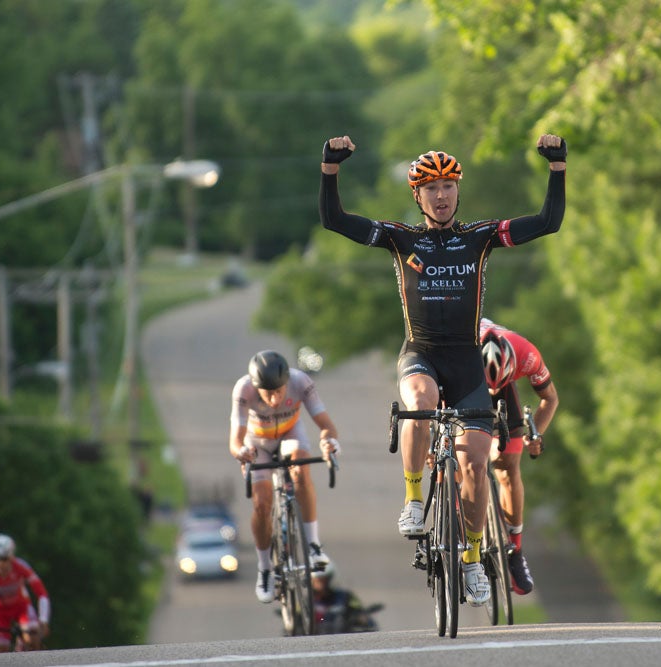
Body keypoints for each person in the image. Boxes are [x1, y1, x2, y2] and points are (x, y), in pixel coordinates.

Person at [319, 133, 566, 606]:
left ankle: (471, 559)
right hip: (422, 353)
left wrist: (557, 169)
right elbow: (335, 220)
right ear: (418, 196)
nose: (441, 195)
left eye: (448, 186)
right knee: (420, 401)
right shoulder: (401, 238)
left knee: (476, 464)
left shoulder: (480, 238)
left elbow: (547, 222)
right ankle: (414, 500)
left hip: (467, 362)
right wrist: (330, 170)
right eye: (431, 188)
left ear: (458, 190)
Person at [229, 349, 341, 604]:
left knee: (301, 472)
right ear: (255, 386)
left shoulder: (300, 382)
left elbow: (327, 426)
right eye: (267, 393)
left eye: (279, 391)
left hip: (291, 435)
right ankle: (265, 568)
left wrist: (328, 442)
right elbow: (235, 441)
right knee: (262, 503)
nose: (274, 398)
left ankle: (313, 546)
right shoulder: (243, 389)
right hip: (257, 443)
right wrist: (242, 452)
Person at [479, 317, 559, 595]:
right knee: (462, 457)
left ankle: (515, 550)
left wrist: (535, 435)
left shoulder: (527, 355)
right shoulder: (460, 350)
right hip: (466, 382)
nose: (491, 391)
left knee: (508, 466)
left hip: (504, 387)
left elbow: (550, 399)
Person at [0, 534, 50, 652]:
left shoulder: (21, 566)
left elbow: (41, 594)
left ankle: (27, 648)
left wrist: (43, 620)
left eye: (5, 559)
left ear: (11, 557)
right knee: (1, 649)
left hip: (21, 607)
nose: (1, 564)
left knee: (33, 638)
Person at [311, 562, 379, 634]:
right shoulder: (306, 604)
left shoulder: (344, 597)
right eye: (318, 580)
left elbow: (361, 613)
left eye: (323, 580)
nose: (321, 584)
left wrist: (361, 618)